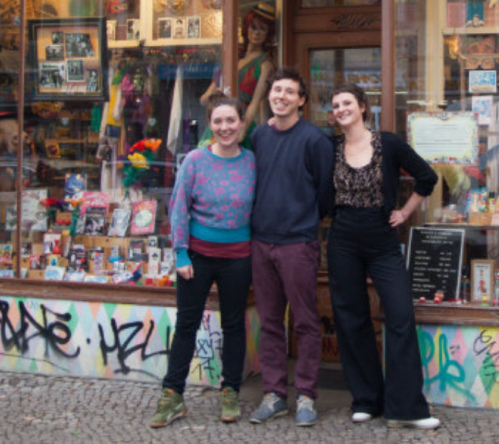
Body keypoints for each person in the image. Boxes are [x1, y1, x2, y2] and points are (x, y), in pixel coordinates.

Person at [326, 83, 440, 430]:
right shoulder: (329, 147)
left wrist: (404, 212)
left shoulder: (387, 143)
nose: (341, 109)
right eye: (335, 105)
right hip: (343, 238)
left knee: (401, 315)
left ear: (363, 107)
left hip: (382, 239)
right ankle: (366, 399)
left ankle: (407, 407)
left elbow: (427, 177)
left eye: (347, 102)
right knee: (350, 318)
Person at [149, 95, 256, 428]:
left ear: (241, 123)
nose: (225, 127)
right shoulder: (195, 160)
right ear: (210, 125)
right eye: (218, 121)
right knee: (186, 325)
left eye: (231, 121)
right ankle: (172, 395)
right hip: (196, 257)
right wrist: (180, 252)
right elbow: (179, 207)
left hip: (238, 257)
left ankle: (231, 391)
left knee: (234, 325)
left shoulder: (252, 161)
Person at [248, 67, 334, 427]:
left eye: (289, 92)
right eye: (276, 90)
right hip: (261, 241)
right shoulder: (258, 137)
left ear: (301, 100)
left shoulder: (315, 140)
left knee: (305, 322)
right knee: (269, 321)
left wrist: (305, 222)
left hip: (297, 242)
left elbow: (326, 195)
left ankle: (307, 396)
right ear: (270, 96)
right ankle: (274, 393)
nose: (280, 96)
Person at [200, 4, 276, 144]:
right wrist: (215, 93)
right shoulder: (232, 59)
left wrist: (241, 133)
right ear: (246, 28)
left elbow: (254, 103)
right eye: (253, 27)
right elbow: (203, 100)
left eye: (262, 29)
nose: (257, 33)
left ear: (268, 34)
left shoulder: (265, 65)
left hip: (242, 124)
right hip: (218, 123)